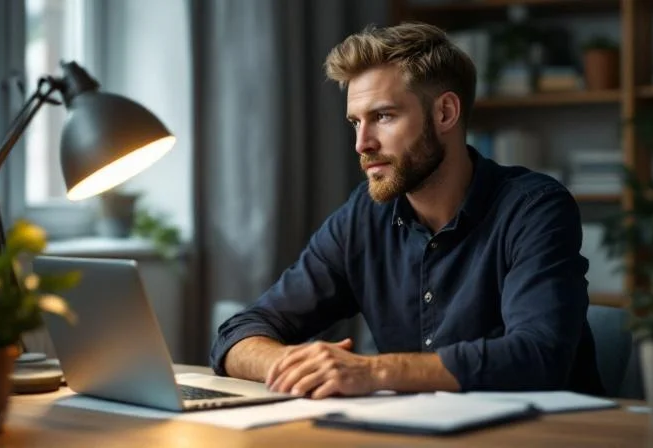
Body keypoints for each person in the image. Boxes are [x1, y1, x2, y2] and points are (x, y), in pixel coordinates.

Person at [210, 22, 603, 400]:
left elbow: (538, 356)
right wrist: (293, 364)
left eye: (383, 116)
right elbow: (238, 333)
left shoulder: (533, 208)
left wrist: (372, 371)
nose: (362, 143)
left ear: (445, 113)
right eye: (355, 122)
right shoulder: (362, 217)